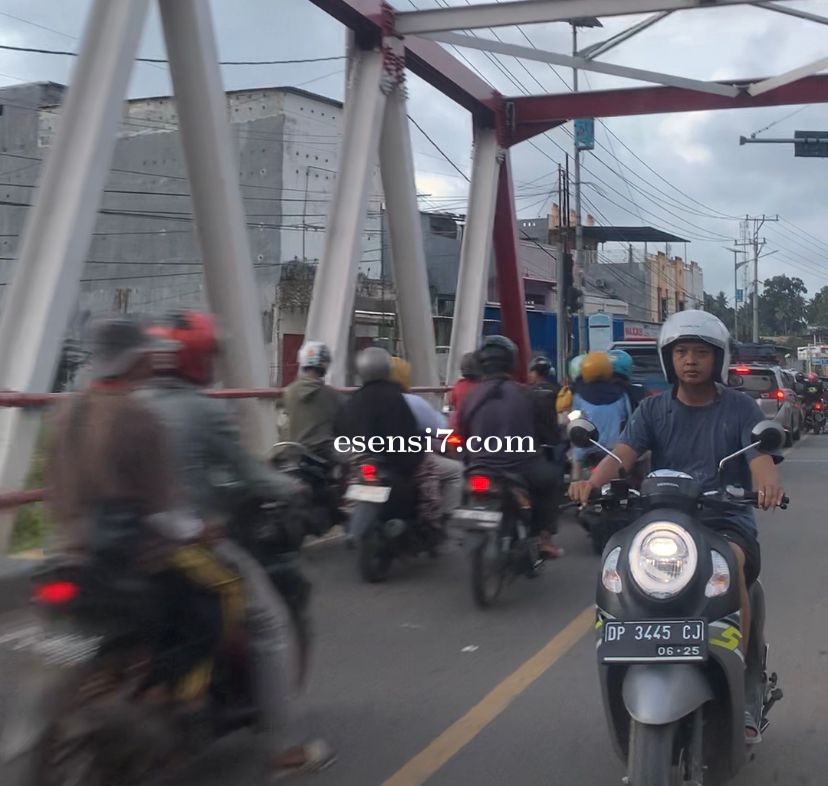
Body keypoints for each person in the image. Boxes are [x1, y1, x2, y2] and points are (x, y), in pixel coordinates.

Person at [569, 310, 785, 741]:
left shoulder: (739, 407)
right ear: (670, 360)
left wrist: (767, 486)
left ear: (717, 359)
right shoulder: (652, 410)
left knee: (732, 563)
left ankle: (739, 684)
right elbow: (623, 454)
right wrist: (589, 483)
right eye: (682, 352)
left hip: (725, 519)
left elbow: (759, 458)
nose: (691, 361)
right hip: (664, 521)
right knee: (619, 564)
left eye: (701, 353)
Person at [140, 311, 335, 778]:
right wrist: (291, 489)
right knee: (268, 624)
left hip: (133, 538)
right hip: (192, 539)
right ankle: (283, 749)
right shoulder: (204, 410)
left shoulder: (135, 403)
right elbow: (246, 473)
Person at [46, 317, 241, 708]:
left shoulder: (67, 411)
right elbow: (163, 510)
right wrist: (200, 530)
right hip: (134, 554)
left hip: (70, 547)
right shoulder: (139, 418)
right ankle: (176, 695)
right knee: (225, 595)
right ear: (135, 360)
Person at [459, 335, 563, 559]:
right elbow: (547, 431)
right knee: (552, 479)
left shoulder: (469, 396)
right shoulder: (526, 394)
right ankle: (544, 537)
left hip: (479, 467)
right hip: (521, 467)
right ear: (512, 362)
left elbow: (460, 431)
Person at [390, 356, 462, 522]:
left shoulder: (365, 399)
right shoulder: (413, 402)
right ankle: (446, 521)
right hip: (408, 461)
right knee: (456, 471)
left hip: (374, 459)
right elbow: (441, 427)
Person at [570, 352, 631, 480]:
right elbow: (628, 420)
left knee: (576, 458)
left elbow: (575, 422)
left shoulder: (579, 396)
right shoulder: (622, 395)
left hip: (586, 450)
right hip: (613, 449)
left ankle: (574, 487)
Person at [283, 341, 343, 462]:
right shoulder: (331, 395)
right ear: (325, 364)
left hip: (293, 452)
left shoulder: (289, 391)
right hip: (322, 453)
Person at [447, 351, 481, 430]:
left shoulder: (459, 385)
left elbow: (452, 403)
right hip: (477, 426)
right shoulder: (484, 386)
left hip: (459, 425)